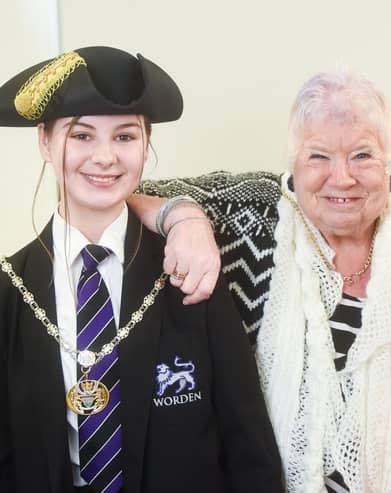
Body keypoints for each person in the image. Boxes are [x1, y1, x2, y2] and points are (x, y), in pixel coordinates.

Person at [132, 69, 391, 491]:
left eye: (363, 156)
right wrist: (184, 217)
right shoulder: (249, 217)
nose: (342, 178)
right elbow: (124, 194)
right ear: (293, 165)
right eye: (318, 156)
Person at [0, 46, 282, 493]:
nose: (106, 157)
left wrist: (184, 215)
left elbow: (247, 442)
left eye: (125, 137)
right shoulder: (9, 291)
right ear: (44, 142)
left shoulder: (190, 269)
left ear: (146, 144)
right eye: (82, 136)